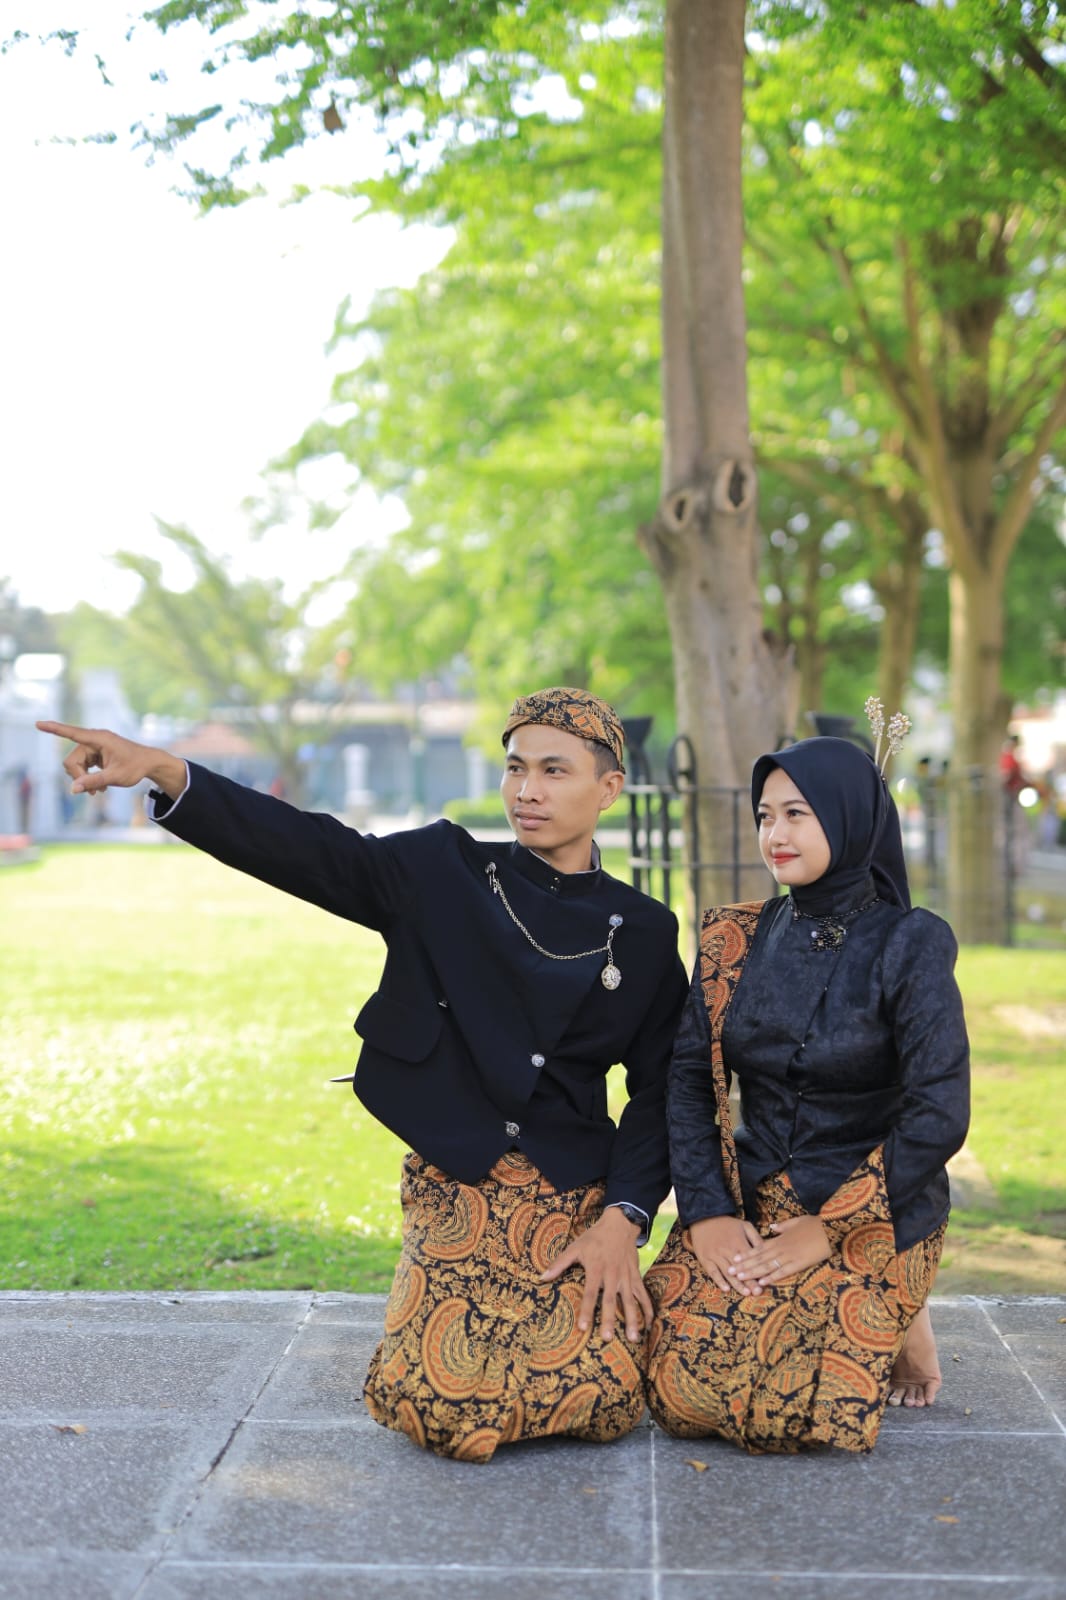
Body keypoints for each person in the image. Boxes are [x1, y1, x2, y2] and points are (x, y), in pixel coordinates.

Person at [38, 688, 687, 1464]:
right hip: (460, 1174)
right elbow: (309, 848)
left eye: (554, 771)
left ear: (608, 789)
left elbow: (662, 1088)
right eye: (516, 768)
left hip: (571, 1185)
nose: (527, 790)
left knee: (607, 1399)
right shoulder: (442, 871)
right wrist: (168, 770)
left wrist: (623, 1218)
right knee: (441, 1407)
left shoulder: (645, 931)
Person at [644, 735, 970, 1454]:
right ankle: (893, 1312)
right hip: (755, 1192)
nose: (775, 834)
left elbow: (940, 1110)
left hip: (874, 1204)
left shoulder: (909, 943)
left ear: (849, 817)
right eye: (765, 815)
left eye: (798, 813)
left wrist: (831, 1227)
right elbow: (690, 1083)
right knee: (673, 1388)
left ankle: (904, 1309)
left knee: (786, 1411)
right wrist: (708, 1214)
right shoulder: (732, 937)